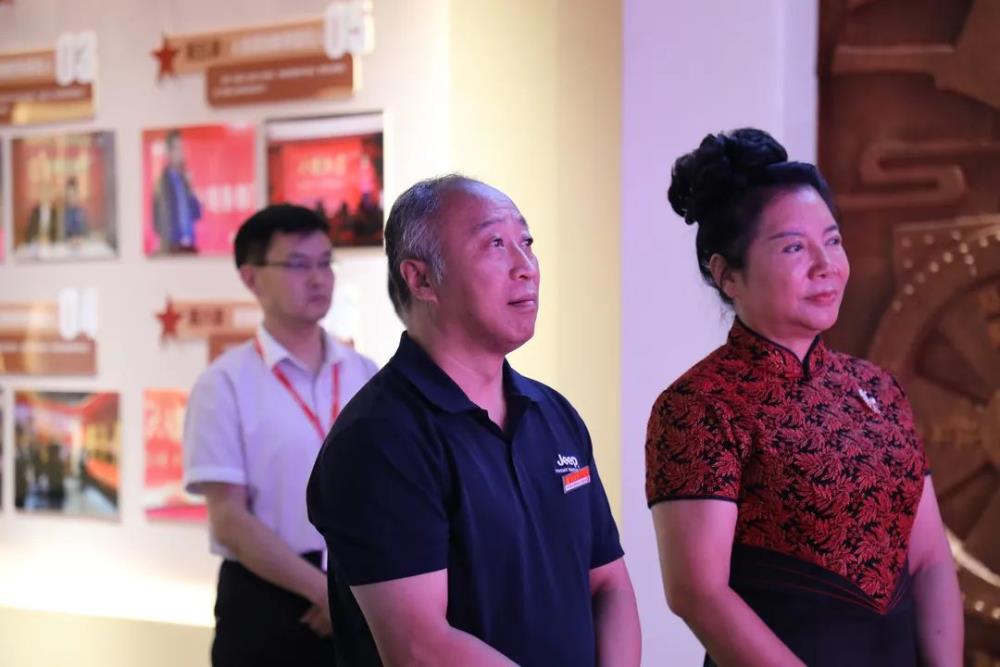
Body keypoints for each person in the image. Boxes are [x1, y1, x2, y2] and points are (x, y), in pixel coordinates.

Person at [646, 128, 963, 666]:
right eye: (794, 247)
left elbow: (930, 558)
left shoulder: (880, 390)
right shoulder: (699, 406)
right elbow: (697, 592)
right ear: (727, 275)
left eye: (832, 241)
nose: (826, 264)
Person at [307, 175, 641, 667]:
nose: (525, 267)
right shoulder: (379, 438)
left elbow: (608, 584)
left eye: (527, 242)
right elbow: (419, 646)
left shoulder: (553, 413)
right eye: (495, 244)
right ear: (421, 279)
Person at [183, 203, 378, 667]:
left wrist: (353, 594)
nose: (318, 278)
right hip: (269, 598)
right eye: (298, 265)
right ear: (252, 278)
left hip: (363, 593)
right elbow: (229, 519)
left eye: (325, 262)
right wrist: (324, 593)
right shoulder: (224, 384)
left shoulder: (365, 374)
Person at [153, 129, 202, 253]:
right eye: (176, 148)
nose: (180, 152)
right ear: (168, 152)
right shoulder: (162, 182)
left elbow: (197, 214)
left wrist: (191, 189)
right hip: (172, 248)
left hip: (189, 245)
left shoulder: (185, 179)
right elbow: (158, 222)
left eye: (182, 148)